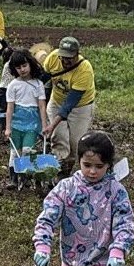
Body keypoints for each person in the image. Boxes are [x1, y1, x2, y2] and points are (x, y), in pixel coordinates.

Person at [33, 130, 134, 266]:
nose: (92, 171)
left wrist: (119, 250)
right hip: (72, 261)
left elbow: (125, 223)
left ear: (108, 165)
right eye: (87, 165)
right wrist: (42, 245)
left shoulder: (115, 191)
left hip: (102, 262)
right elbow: (47, 217)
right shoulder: (66, 188)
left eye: (99, 166)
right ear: (79, 160)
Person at [41, 37, 96, 177]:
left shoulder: (85, 70)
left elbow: (69, 104)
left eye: (69, 58)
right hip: (56, 102)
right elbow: (42, 81)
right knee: (59, 137)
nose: (65, 61)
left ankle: (69, 166)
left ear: (77, 54)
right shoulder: (52, 58)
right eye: (63, 57)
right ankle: (59, 170)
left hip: (80, 107)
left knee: (76, 142)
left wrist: (51, 125)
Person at [4, 49, 47, 189]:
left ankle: (25, 176)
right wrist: (8, 127)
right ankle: (13, 179)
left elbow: (41, 106)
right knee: (14, 152)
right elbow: (10, 108)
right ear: (14, 69)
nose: (22, 70)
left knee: (27, 150)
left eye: (24, 66)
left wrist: (44, 125)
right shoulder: (13, 85)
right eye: (18, 67)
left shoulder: (38, 84)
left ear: (30, 65)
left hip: (32, 124)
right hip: (16, 124)